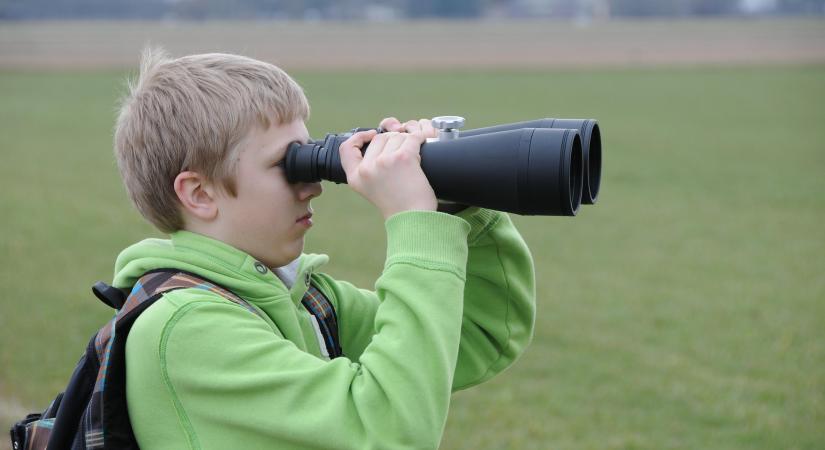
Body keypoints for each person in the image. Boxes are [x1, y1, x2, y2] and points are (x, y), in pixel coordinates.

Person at [113, 48, 536, 449]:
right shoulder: (186, 328)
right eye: (287, 165)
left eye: (310, 156)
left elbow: (476, 333)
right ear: (200, 193)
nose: (313, 186)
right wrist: (416, 225)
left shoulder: (305, 301)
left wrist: (455, 202)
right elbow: (388, 433)